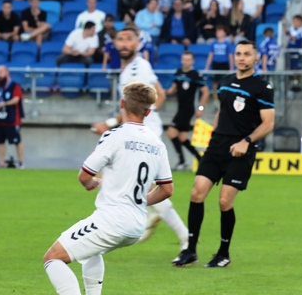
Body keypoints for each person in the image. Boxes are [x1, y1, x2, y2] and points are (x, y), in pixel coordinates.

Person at [43, 81, 174, 295]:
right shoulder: (157, 144)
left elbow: (85, 175)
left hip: (112, 219)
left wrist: (91, 183)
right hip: (136, 224)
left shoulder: (115, 136)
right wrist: (138, 201)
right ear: (149, 111)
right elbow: (167, 189)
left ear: (122, 104)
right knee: (92, 251)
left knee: (53, 258)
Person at [174, 39, 275, 268]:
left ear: (256, 58)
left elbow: (268, 123)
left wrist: (246, 142)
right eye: (238, 53)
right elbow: (222, 110)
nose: (242, 58)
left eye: (247, 54)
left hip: (241, 150)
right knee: (197, 193)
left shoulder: (262, 87)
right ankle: (190, 250)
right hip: (217, 146)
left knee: (224, 200)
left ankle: (223, 253)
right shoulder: (226, 82)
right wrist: (213, 135)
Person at [91, 26, 190, 251]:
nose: (124, 43)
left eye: (129, 39)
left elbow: (135, 104)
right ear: (114, 44)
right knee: (142, 185)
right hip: (143, 130)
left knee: (115, 177)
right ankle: (178, 232)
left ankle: (160, 225)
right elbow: (160, 95)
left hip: (142, 133)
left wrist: (111, 123)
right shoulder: (135, 68)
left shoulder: (137, 68)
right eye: (120, 39)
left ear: (138, 43)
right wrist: (146, 117)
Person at [166, 50, 208, 170]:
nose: (186, 62)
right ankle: (200, 159)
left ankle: (182, 161)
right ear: (181, 60)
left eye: (188, 60)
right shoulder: (178, 72)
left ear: (192, 61)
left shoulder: (195, 74)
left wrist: (200, 108)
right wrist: (165, 92)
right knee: (182, 137)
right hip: (180, 108)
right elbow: (174, 88)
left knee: (171, 132)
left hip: (188, 109)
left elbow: (205, 92)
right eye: (184, 59)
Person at [0, 65, 26, 168]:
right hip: (0, 119)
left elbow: (16, 99)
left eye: (0, 73)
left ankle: (21, 162)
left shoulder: (15, 86)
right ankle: (1, 162)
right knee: (0, 141)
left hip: (12, 120)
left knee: (17, 141)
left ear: (7, 73)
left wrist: (4, 104)